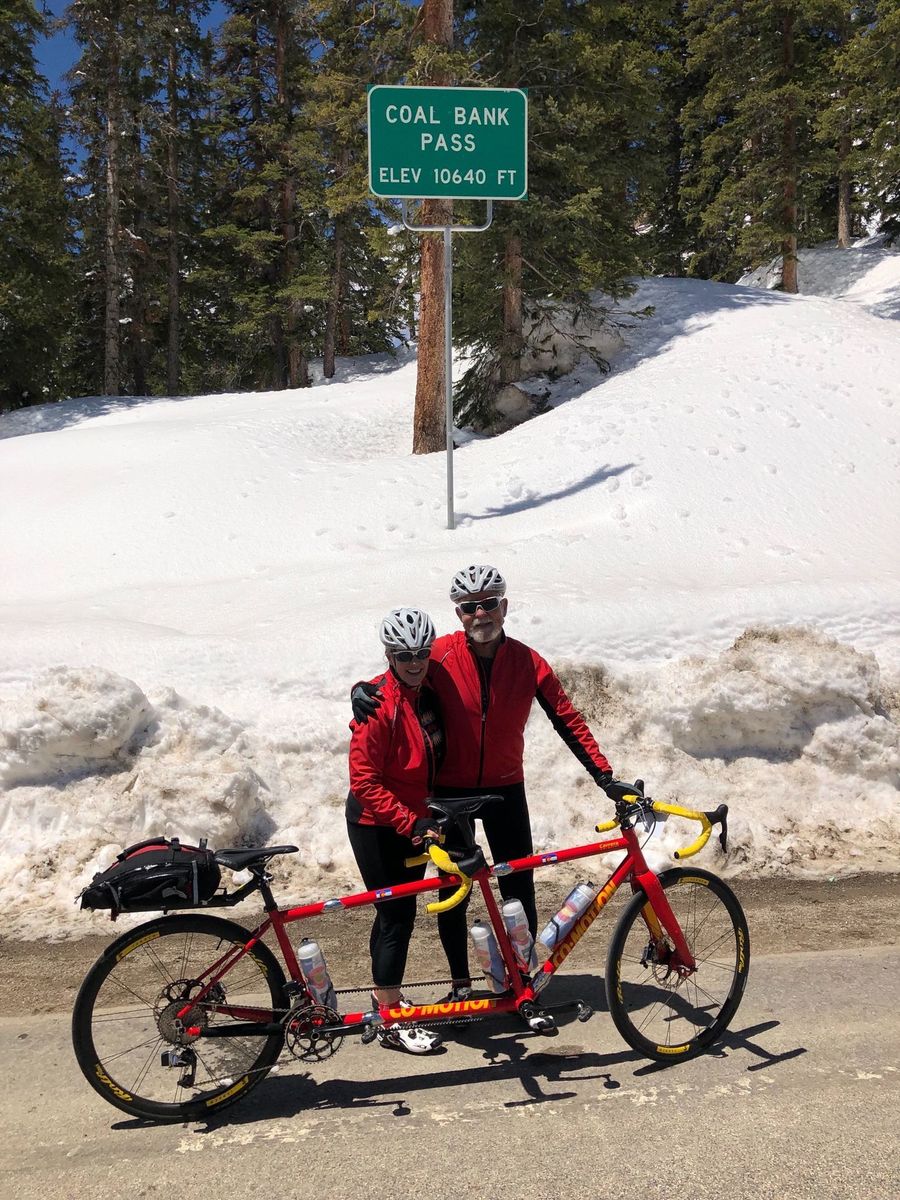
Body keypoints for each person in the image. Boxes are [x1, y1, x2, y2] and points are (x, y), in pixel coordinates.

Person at [353, 566, 640, 994]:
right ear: (459, 614)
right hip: (449, 794)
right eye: (470, 607)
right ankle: (461, 984)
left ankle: (522, 980)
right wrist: (360, 690)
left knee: (517, 887)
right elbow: (397, 677)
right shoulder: (439, 655)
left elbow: (568, 720)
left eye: (489, 604)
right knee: (456, 891)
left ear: (504, 606)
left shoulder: (527, 661)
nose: (480, 614)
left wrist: (604, 775)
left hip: (505, 789)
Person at [346, 606, 469, 1052]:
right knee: (397, 917)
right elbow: (363, 782)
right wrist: (410, 821)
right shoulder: (379, 706)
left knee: (393, 915)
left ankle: (385, 1000)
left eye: (420, 653)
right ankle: (392, 1020)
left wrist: (418, 820)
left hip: (413, 820)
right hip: (376, 823)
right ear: (389, 656)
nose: (414, 662)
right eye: (403, 656)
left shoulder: (424, 690)